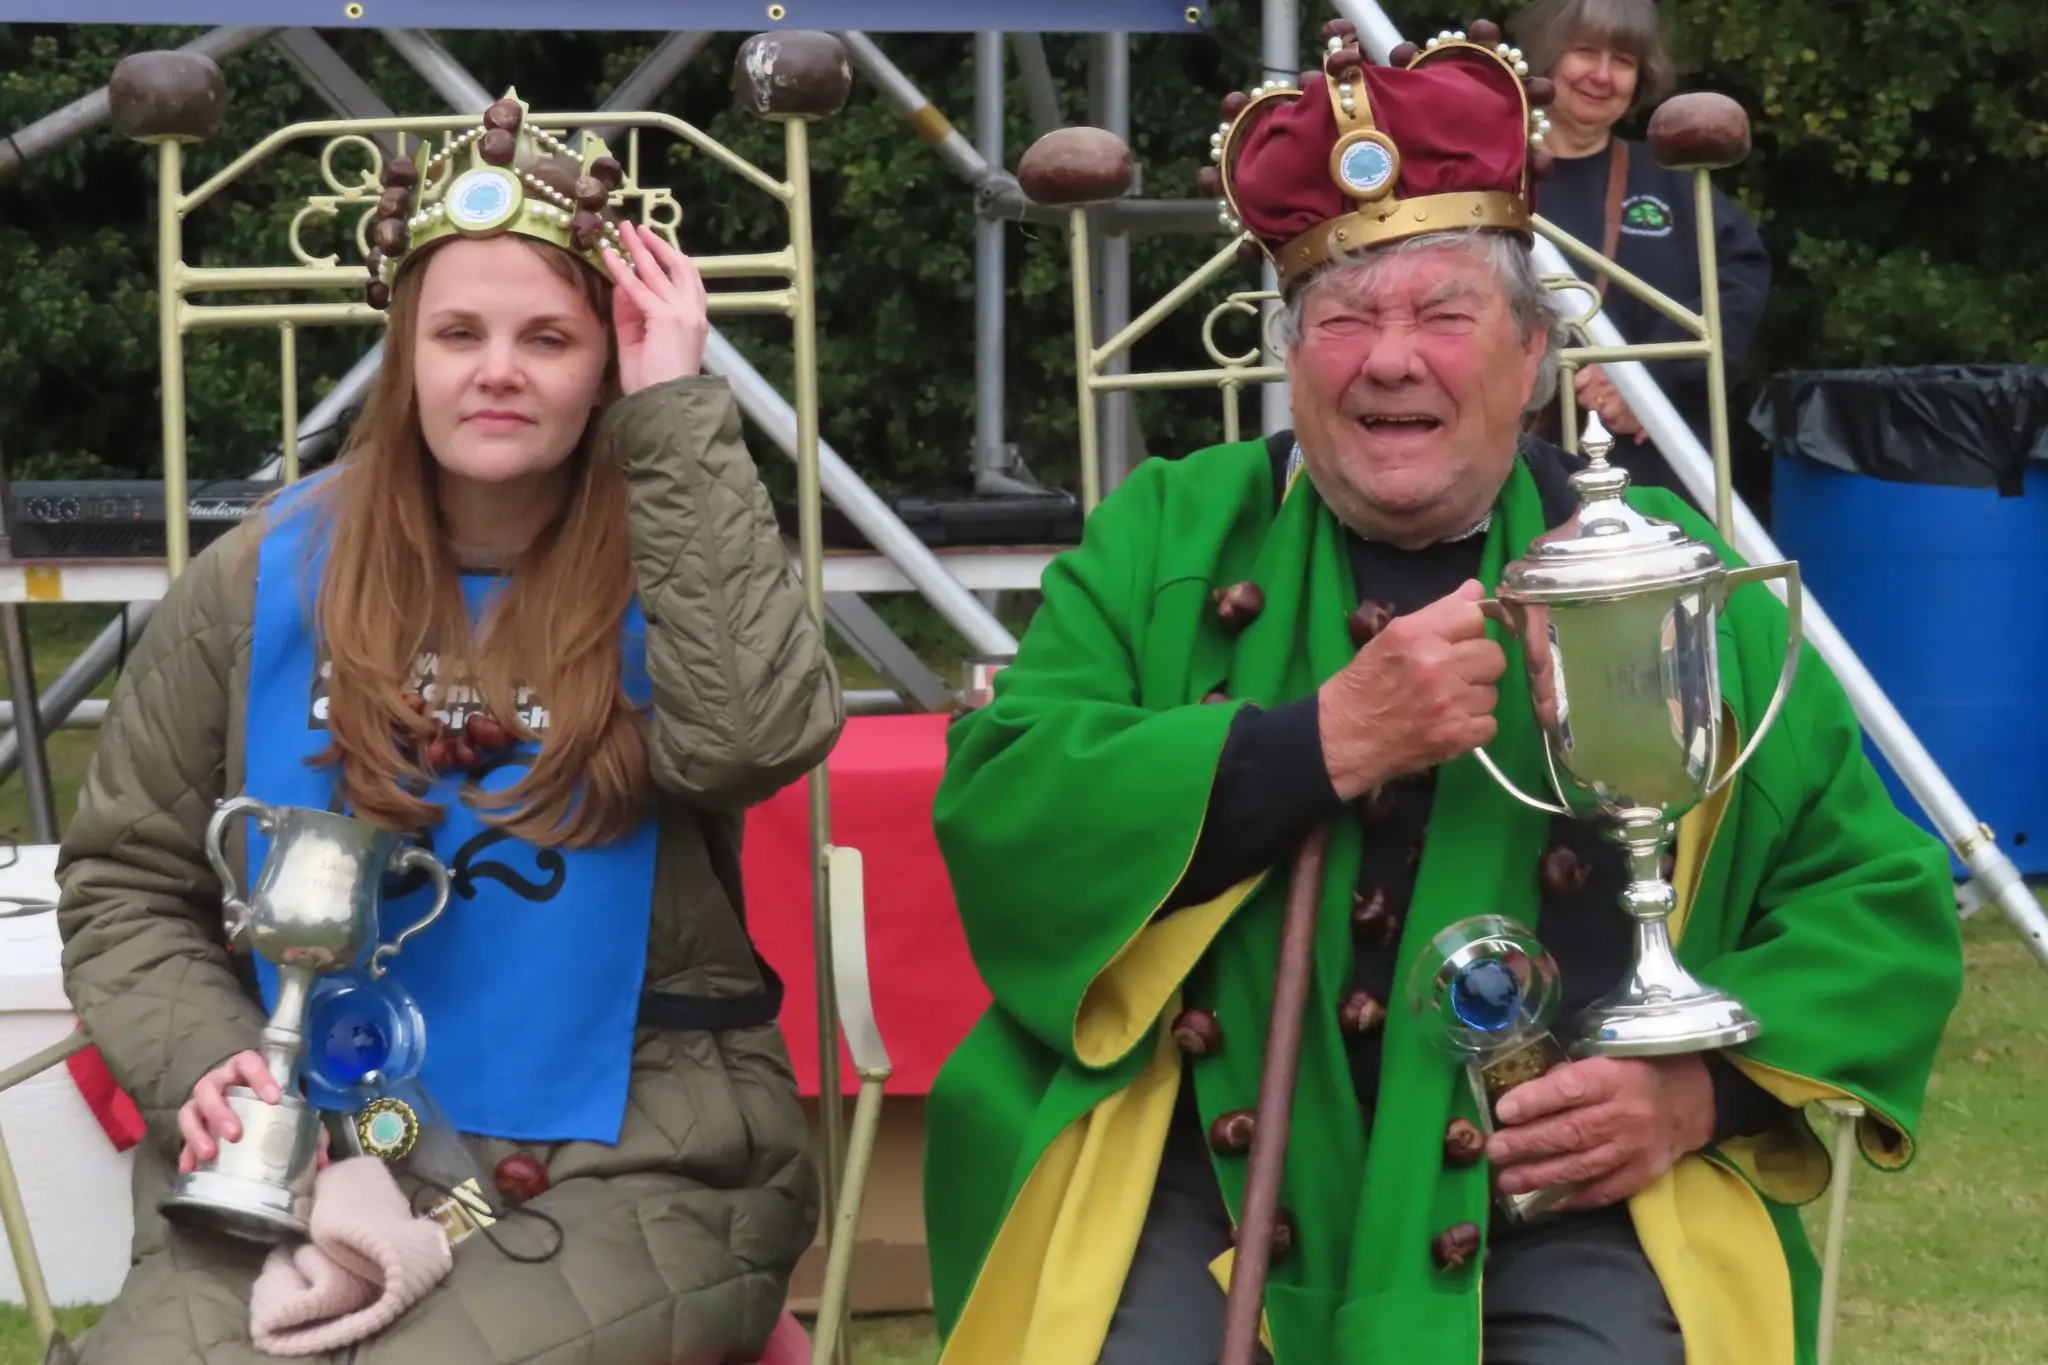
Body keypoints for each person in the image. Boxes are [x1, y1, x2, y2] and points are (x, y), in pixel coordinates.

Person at [922, 20, 1960, 1365]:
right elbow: (1007, 804)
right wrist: (1318, 742)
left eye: (1442, 314)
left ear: (1531, 358)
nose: (1388, 358)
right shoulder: (1167, 535)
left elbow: (1872, 901)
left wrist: (1701, 1096)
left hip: (1564, 1194)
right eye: (1343, 318)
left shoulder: (1665, 573)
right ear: (1290, 360)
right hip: (1202, 1163)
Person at [51, 92, 841, 1365]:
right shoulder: (259, 577)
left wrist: (675, 414)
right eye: (458, 332)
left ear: (605, 362)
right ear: (405, 355)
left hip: (629, 1151)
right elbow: (127, 879)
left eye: (550, 337)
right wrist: (209, 1060)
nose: (498, 370)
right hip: (307, 1139)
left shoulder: (679, 552)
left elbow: (752, 743)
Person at [1510, 0, 1772, 507]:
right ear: (1547, 54)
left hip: (1657, 483)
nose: (1602, 76)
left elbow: (1738, 284)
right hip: (1525, 480)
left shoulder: (1674, 185)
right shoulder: (1491, 182)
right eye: (1586, 52)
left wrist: (1646, 378)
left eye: (1623, 61)